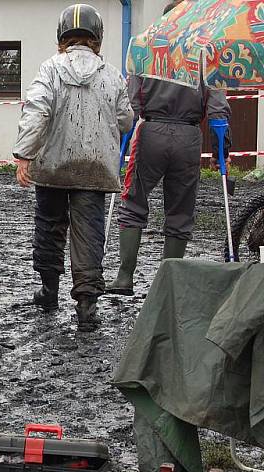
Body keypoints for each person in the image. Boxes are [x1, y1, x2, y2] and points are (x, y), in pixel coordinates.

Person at [13, 3, 134, 332]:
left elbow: (36, 110)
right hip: (94, 170)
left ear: (62, 36)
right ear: (97, 37)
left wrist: (24, 154)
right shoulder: (112, 75)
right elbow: (126, 120)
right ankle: (86, 307)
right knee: (88, 235)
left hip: (53, 167)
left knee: (49, 227)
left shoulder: (50, 69)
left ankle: (49, 291)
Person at [107, 0, 232, 296]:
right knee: (180, 213)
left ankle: (124, 278)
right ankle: (166, 286)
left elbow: (131, 106)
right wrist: (220, 153)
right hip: (188, 136)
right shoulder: (205, 56)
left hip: (151, 133)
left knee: (134, 202)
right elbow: (218, 111)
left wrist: (119, 145)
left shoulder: (144, 52)